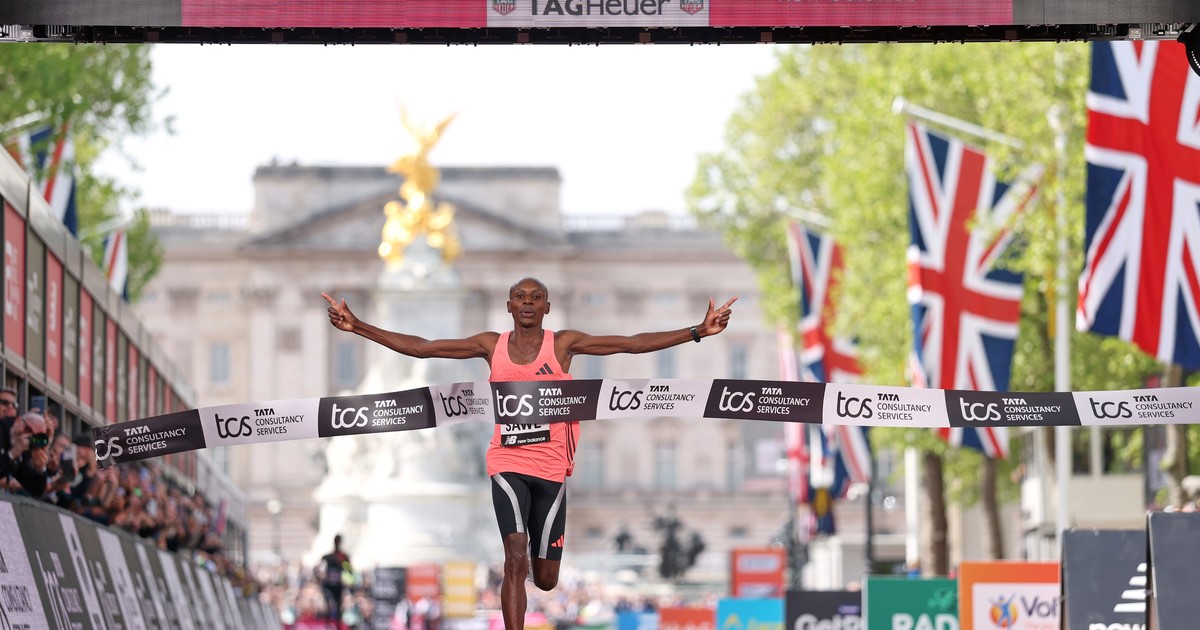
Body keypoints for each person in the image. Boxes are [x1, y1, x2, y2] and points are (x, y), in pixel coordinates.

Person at [323, 277, 736, 630]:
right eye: (520, 297)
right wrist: (358, 327)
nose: (527, 302)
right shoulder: (491, 345)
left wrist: (697, 331)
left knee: (546, 578)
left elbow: (629, 344)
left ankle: (541, 564)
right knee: (514, 557)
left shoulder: (564, 345)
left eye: (536, 297)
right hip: (507, 462)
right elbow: (424, 348)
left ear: (547, 308)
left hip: (552, 469)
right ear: (508, 306)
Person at [0, 412, 50, 497]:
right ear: (18, 421)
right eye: (28, 430)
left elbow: (36, 490)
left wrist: (40, 469)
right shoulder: (2, 428)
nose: (26, 436)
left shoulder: (25, 449)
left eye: (33, 437)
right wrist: (12, 454)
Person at [316, 534, 353, 629]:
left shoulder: (343, 557)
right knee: (329, 607)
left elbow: (349, 570)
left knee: (338, 608)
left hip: (338, 586)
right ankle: (329, 625)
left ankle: (336, 626)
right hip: (328, 586)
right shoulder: (328, 557)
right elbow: (319, 570)